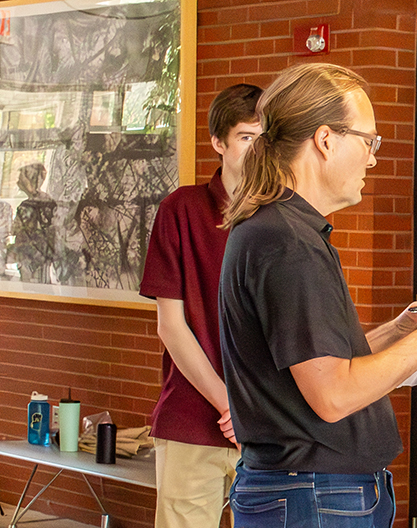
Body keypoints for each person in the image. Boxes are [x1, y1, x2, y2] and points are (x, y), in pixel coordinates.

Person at [218, 63, 417, 527]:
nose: (373, 158)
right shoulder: (288, 242)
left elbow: (313, 366)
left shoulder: (282, 230)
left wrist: (398, 332)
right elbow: (333, 395)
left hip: (311, 489)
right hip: (314, 493)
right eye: (368, 141)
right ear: (325, 139)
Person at [138, 83, 261, 528]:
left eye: (266, 138)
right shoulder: (181, 210)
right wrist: (228, 403)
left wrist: (252, 410)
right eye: (248, 137)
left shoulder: (286, 216)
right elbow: (171, 327)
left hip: (269, 426)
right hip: (193, 417)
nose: (258, 149)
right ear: (219, 143)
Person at [11, 164, 56, 283]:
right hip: (39, 253)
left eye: (21, 179)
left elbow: (14, 229)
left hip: (32, 253)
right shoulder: (48, 201)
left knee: (34, 285)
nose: (18, 182)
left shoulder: (27, 206)